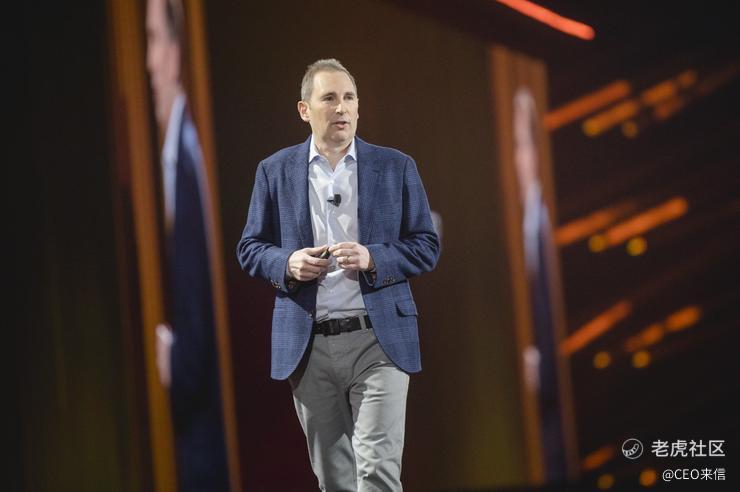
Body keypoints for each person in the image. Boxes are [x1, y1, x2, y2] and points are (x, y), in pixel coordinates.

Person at [237, 58, 439, 491]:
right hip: (309, 344)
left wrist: (373, 257)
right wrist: (288, 264)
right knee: (335, 481)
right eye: (329, 98)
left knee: (377, 471)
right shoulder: (274, 170)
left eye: (349, 97)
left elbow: (427, 245)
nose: (341, 107)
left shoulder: (395, 166)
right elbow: (250, 248)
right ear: (304, 109)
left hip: (379, 340)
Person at [146, 0, 229, 489]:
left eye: (154, 40)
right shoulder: (176, 153)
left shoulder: (187, 159)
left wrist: (171, 359)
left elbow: (200, 330)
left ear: (177, 51)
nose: (148, 62)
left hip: (204, 454)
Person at [513, 87, 568, 481]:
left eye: (520, 145)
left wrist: (543, 367)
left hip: (555, 399)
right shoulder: (526, 222)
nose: (516, 158)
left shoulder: (545, 224)